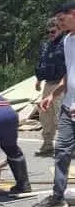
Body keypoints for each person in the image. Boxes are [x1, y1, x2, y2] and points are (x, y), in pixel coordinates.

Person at [32, 1, 75, 207]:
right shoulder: (67, 41)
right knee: (62, 151)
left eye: (61, 19)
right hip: (69, 106)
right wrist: (53, 94)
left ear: (73, 14)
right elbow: (69, 74)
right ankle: (58, 197)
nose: (59, 23)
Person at [34, 17, 66, 156]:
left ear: (60, 30)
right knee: (45, 115)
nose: (50, 35)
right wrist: (38, 80)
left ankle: (67, 147)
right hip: (48, 83)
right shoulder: (46, 46)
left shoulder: (67, 43)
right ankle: (47, 145)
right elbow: (42, 64)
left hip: (62, 84)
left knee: (61, 117)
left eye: (53, 31)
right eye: (48, 32)